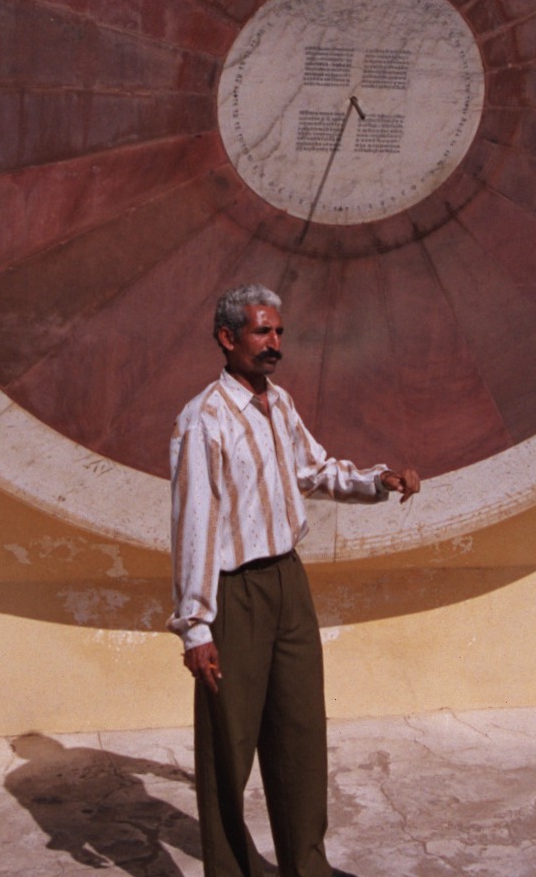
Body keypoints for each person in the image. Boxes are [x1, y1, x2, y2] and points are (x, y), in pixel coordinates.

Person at [168, 283, 420, 877]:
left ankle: (307, 866)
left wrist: (376, 481)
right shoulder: (202, 420)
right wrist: (196, 627)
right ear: (228, 339)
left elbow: (314, 469)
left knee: (301, 734)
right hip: (235, 596)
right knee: (229, 748)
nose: (274, 343)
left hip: (289, 584)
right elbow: (193, 525)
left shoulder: (277, 403)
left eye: (279, 332)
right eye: (262, 332)